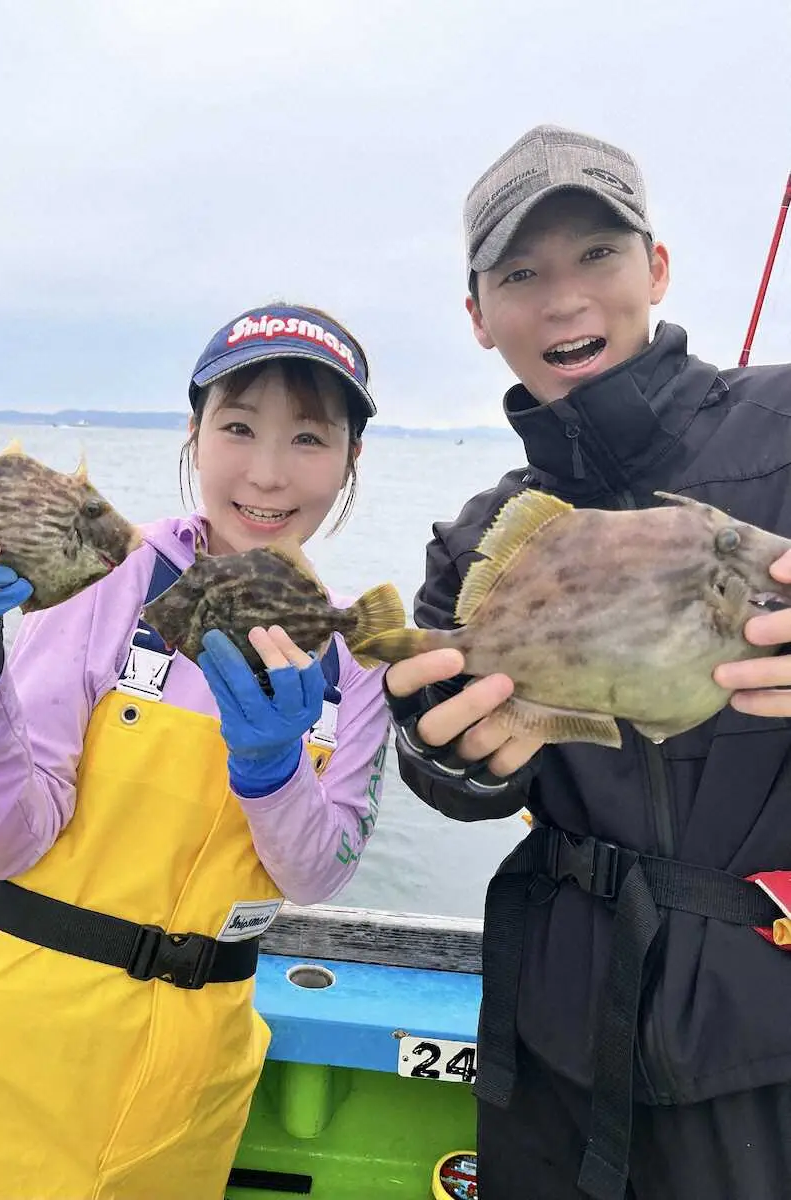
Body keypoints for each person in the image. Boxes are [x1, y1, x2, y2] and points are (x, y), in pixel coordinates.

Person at [0, 303, 392, 1199]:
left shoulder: (352, 652)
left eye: (310, 439)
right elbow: (10, 843)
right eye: (238, 427)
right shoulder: (111, 579)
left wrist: (273, 772)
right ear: (194, 435)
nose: (269, 474)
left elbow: (318, 873)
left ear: (352, 459)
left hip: (188, 1097)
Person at [384, 125, 791, 1200]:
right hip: (553, 1025)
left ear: (657, 266)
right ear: (478, 317)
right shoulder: (478, 537)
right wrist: (456, 758)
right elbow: (458, 773)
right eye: (523, 272)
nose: (565, 299)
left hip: (769, 1032)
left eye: (598, 257)